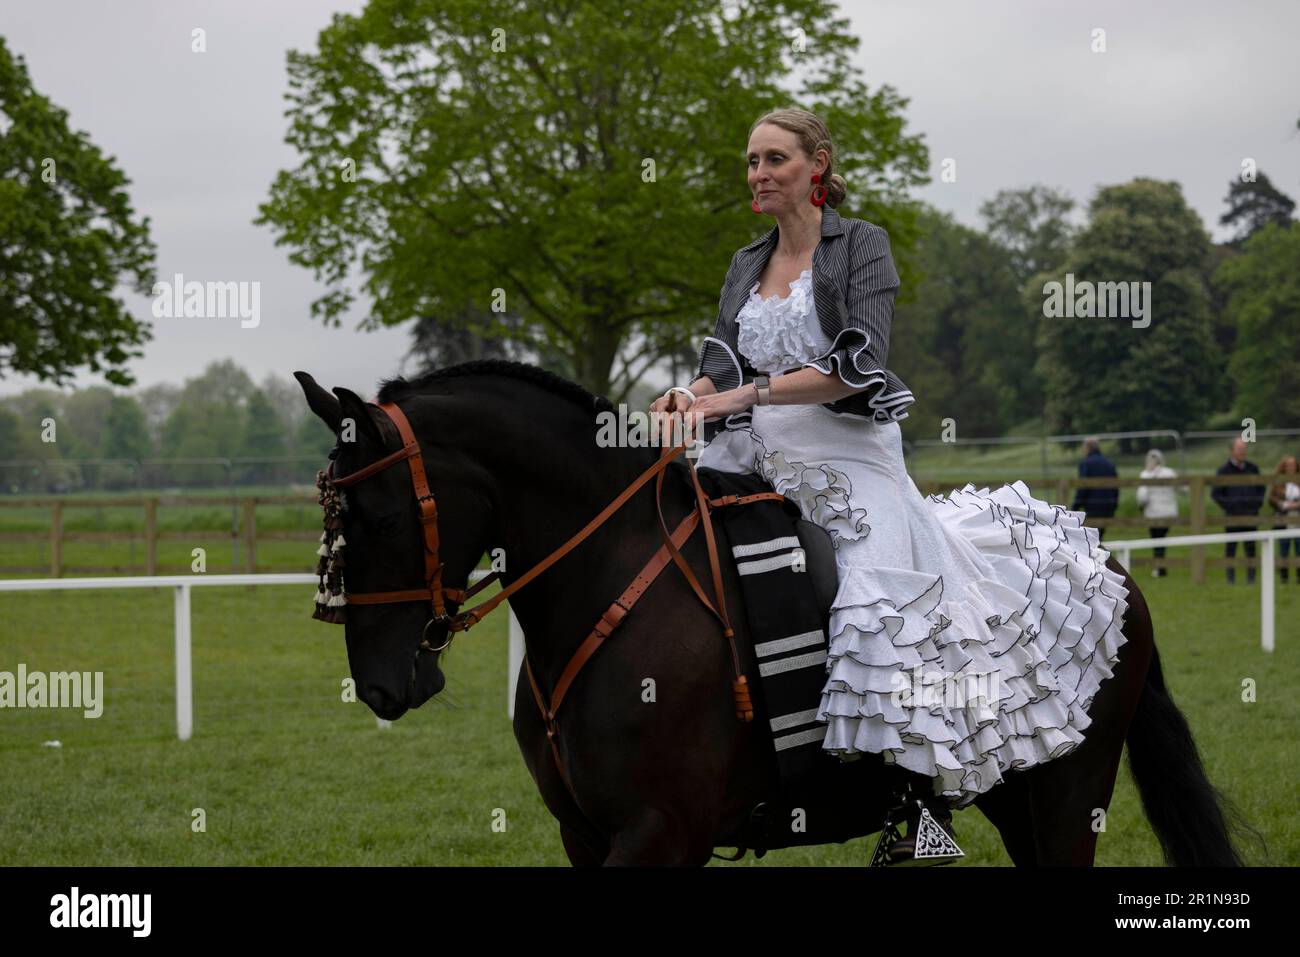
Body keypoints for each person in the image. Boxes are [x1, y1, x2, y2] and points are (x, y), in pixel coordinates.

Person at [650, 108, 1130, 865]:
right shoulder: (746, 262)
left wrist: (736, 397)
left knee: (875, 590)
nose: (759, 174)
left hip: (848, 453)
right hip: (747, 452)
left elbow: (854, 365)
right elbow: (724, 360)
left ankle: (916, 804)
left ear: (818, 166)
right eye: (750, 161)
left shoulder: (861, 246)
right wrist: (690, 390)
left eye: (775, 158)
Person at [1211, 439, 1266, 584]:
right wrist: (1230, 507)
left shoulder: (1253, 469)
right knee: (1231, 548)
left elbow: (1261, 489)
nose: (1243, 452)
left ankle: (1251, 579)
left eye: (1244, 448)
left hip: (1250, 515)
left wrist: (1255, 505)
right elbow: (1216, 494)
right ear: (1232, 451)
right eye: (1239, 449)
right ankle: (1230, 579)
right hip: (1232, 517)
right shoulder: (1223, 471)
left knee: (1251, 548)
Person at [1135, 449, 1179, 577]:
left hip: (1153, 513)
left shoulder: (1145, 475)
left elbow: (1142, 497)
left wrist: (1141, 507)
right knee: (1161, 538)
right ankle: (1161, 567)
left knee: (1156, 539)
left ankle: (1159, 568)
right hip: (1169, 512)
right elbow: (1182, 488)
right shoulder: (1169, 473)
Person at [1070, 437, 1119, 541]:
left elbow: (1083, 487)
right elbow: (1116, 486)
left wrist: (1075, 507)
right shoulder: (1109, 463)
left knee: (1091, 539)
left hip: (1092, 506)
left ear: (1088, 448)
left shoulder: (1086, 463)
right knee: (1099, 536)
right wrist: (1114, 504)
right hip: (1108, 506)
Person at [1268, 455, 1300, 583]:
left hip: (1297, 517)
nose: (1291, 467)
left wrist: (1297, 505)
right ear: (1283, 467)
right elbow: (1271, 499)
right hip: (1283, 518)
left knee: (1299, 548)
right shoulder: (1278, 482)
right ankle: (1284, 578)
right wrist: (1283, 504)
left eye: (1293, 465)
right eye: (1288, 465)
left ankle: (1299, 577)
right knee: (1284, 549)